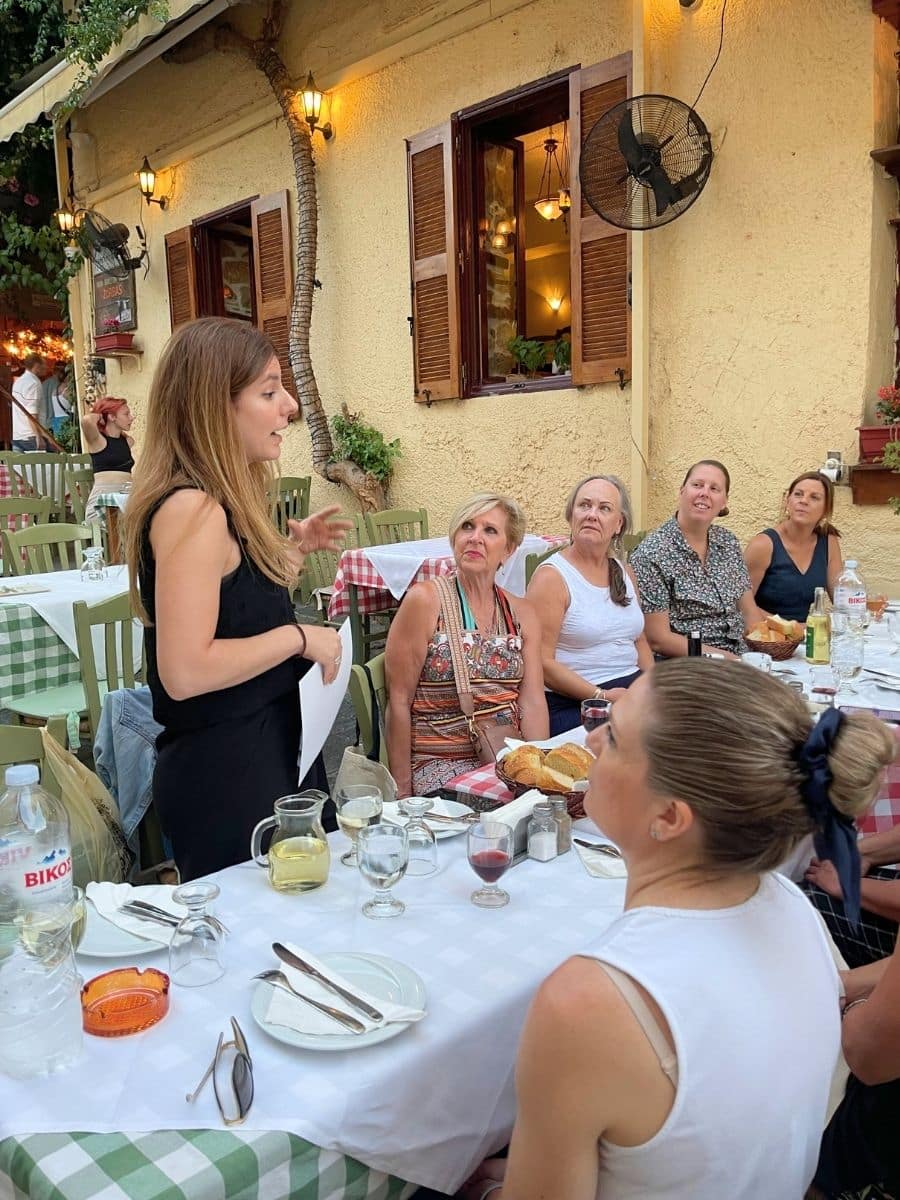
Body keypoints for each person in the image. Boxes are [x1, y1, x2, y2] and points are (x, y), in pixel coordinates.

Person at [461, 660, 895, 1200]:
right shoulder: (789, 906)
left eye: (616, 737)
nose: (591, 741)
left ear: (669, 817)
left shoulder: (590, 1000)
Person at [124, 317, 352, 880]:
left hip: (267, 756)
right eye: (269, 391)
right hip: (229, 777)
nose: (290, 407)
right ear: (215, 406)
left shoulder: (219, 502)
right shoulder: (191, 510)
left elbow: (233, 615)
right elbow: (184, 670)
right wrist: (300, 637)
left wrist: (291, 559)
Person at [385, 492, 548, 798]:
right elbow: (398, 701)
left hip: (504, 755)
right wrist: (403, 794)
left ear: (508, 549)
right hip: (438, 762)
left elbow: (533, 702)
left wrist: (537, 777)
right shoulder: (426, 601)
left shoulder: (522, 613)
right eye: (467, 527)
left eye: (490, 530)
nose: (475, 538)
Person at [526, 475, 652, 735]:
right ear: (572, 515)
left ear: (618, 524)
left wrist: (654, 682)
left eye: (604, 508)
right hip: (577, 701)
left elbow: (639, 640)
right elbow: (542, 663)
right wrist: (602, 695)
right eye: (584, 505)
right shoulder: (552, 578)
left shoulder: (624, 571)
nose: (592, 514)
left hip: (629, 689)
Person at [631, 459, 764, 657]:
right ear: (682, 491)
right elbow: (658, 639)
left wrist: (763, 651)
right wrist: (731, 661)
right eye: (697, 485)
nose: (705, 493)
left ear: (724, 501)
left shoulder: (728, 542)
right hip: (687, 665)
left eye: (714, 488)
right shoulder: (652, 552)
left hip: (740, 658)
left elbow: (749, 610)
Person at [745, 471, 843, 622]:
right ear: (787, 501)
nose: (803, 501)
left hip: (806, 638)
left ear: (825, 509)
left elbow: (841, 600)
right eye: (798, 494)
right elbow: (742, 606)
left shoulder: (829, 542)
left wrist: (867, 606)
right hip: (766, 638)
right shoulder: (763, 544)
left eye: (814, 497)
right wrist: (790, 628)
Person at [81, 397, 137, 521]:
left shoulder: (127, 442)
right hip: (103, 505)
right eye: (126, 414)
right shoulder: (98, 441)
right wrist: (99, 416)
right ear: (112, 417)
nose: (131, 417)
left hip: (124, 501)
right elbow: (86, 421)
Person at [10, 354, 47, 450]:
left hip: (17, 435)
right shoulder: (33, 383)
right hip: (31, 436)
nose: (46, 368)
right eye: (44, 364)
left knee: (19, 465)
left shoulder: (18, 382)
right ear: (37, 366)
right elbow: (32, 413)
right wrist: (39, 437)